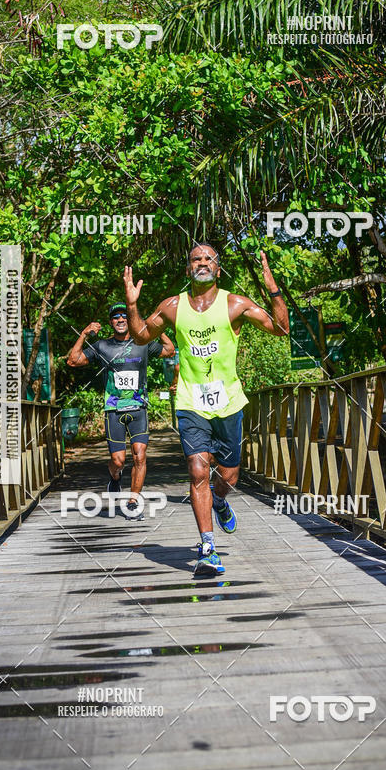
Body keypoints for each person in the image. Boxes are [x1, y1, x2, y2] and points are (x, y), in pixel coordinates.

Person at [123, 244, 289, 573]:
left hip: (228, 401)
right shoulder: (172, 306)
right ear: (188, 269)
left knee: (228, 476)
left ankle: (221, 500)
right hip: (191, 401)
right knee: (198, 471)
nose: (202, 263)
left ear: (218, 269)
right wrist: (132, 305)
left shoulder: (235, 304)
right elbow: (141, 337)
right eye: (196, 259)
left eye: (208, 259)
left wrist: (273, 288)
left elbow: (281, 329)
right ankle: (207, 547)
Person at [67, 303, 174, 518]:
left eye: (125, 316)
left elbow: (169, 349)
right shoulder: (103, 346)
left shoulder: (142, 343)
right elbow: (73, 360)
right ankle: (115, 478)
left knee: (140, 455)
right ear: (111, 322)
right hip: (113, 410)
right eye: (116, 317)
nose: (121, 319)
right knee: (118, 461)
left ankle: (133, 501)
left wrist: (152, 327)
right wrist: (84, 334)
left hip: (139, 408)